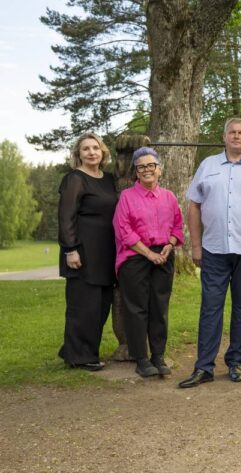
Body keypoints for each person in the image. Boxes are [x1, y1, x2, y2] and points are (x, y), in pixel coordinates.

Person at [178, 118, 241, 388]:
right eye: (232, 132)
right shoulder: (207, 166)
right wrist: (196, 245)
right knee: (210, 308)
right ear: (225, 137)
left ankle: (235, 362)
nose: (236, 136)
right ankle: (204, 367)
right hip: (213, 249)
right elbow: (194, 207)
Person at [113, 147, 184, 378]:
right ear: (136, 171)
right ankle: (141, 358)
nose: (146, 170)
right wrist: (148, 254)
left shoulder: (169, 197)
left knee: (159, 308)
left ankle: (158, 356)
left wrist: (170, 244)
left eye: (150, 165)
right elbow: (124, 230)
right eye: (141, 166)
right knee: (137, 309)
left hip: (164, 255)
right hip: (135, 256)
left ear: (159, 169)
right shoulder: (127, 197)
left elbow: (177, 224)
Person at [58, 132, 118, 371]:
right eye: (86, 149)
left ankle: (82, 351)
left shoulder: (110, 179)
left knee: (101, 304)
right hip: (82, 252)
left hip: (107, 252)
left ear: (103, 152)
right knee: (83, 305)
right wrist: (70, 249)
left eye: (95, 148)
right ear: (78, 155)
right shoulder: (75, 179)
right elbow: (65, 217)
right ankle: (79, 356)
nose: (92, 152)